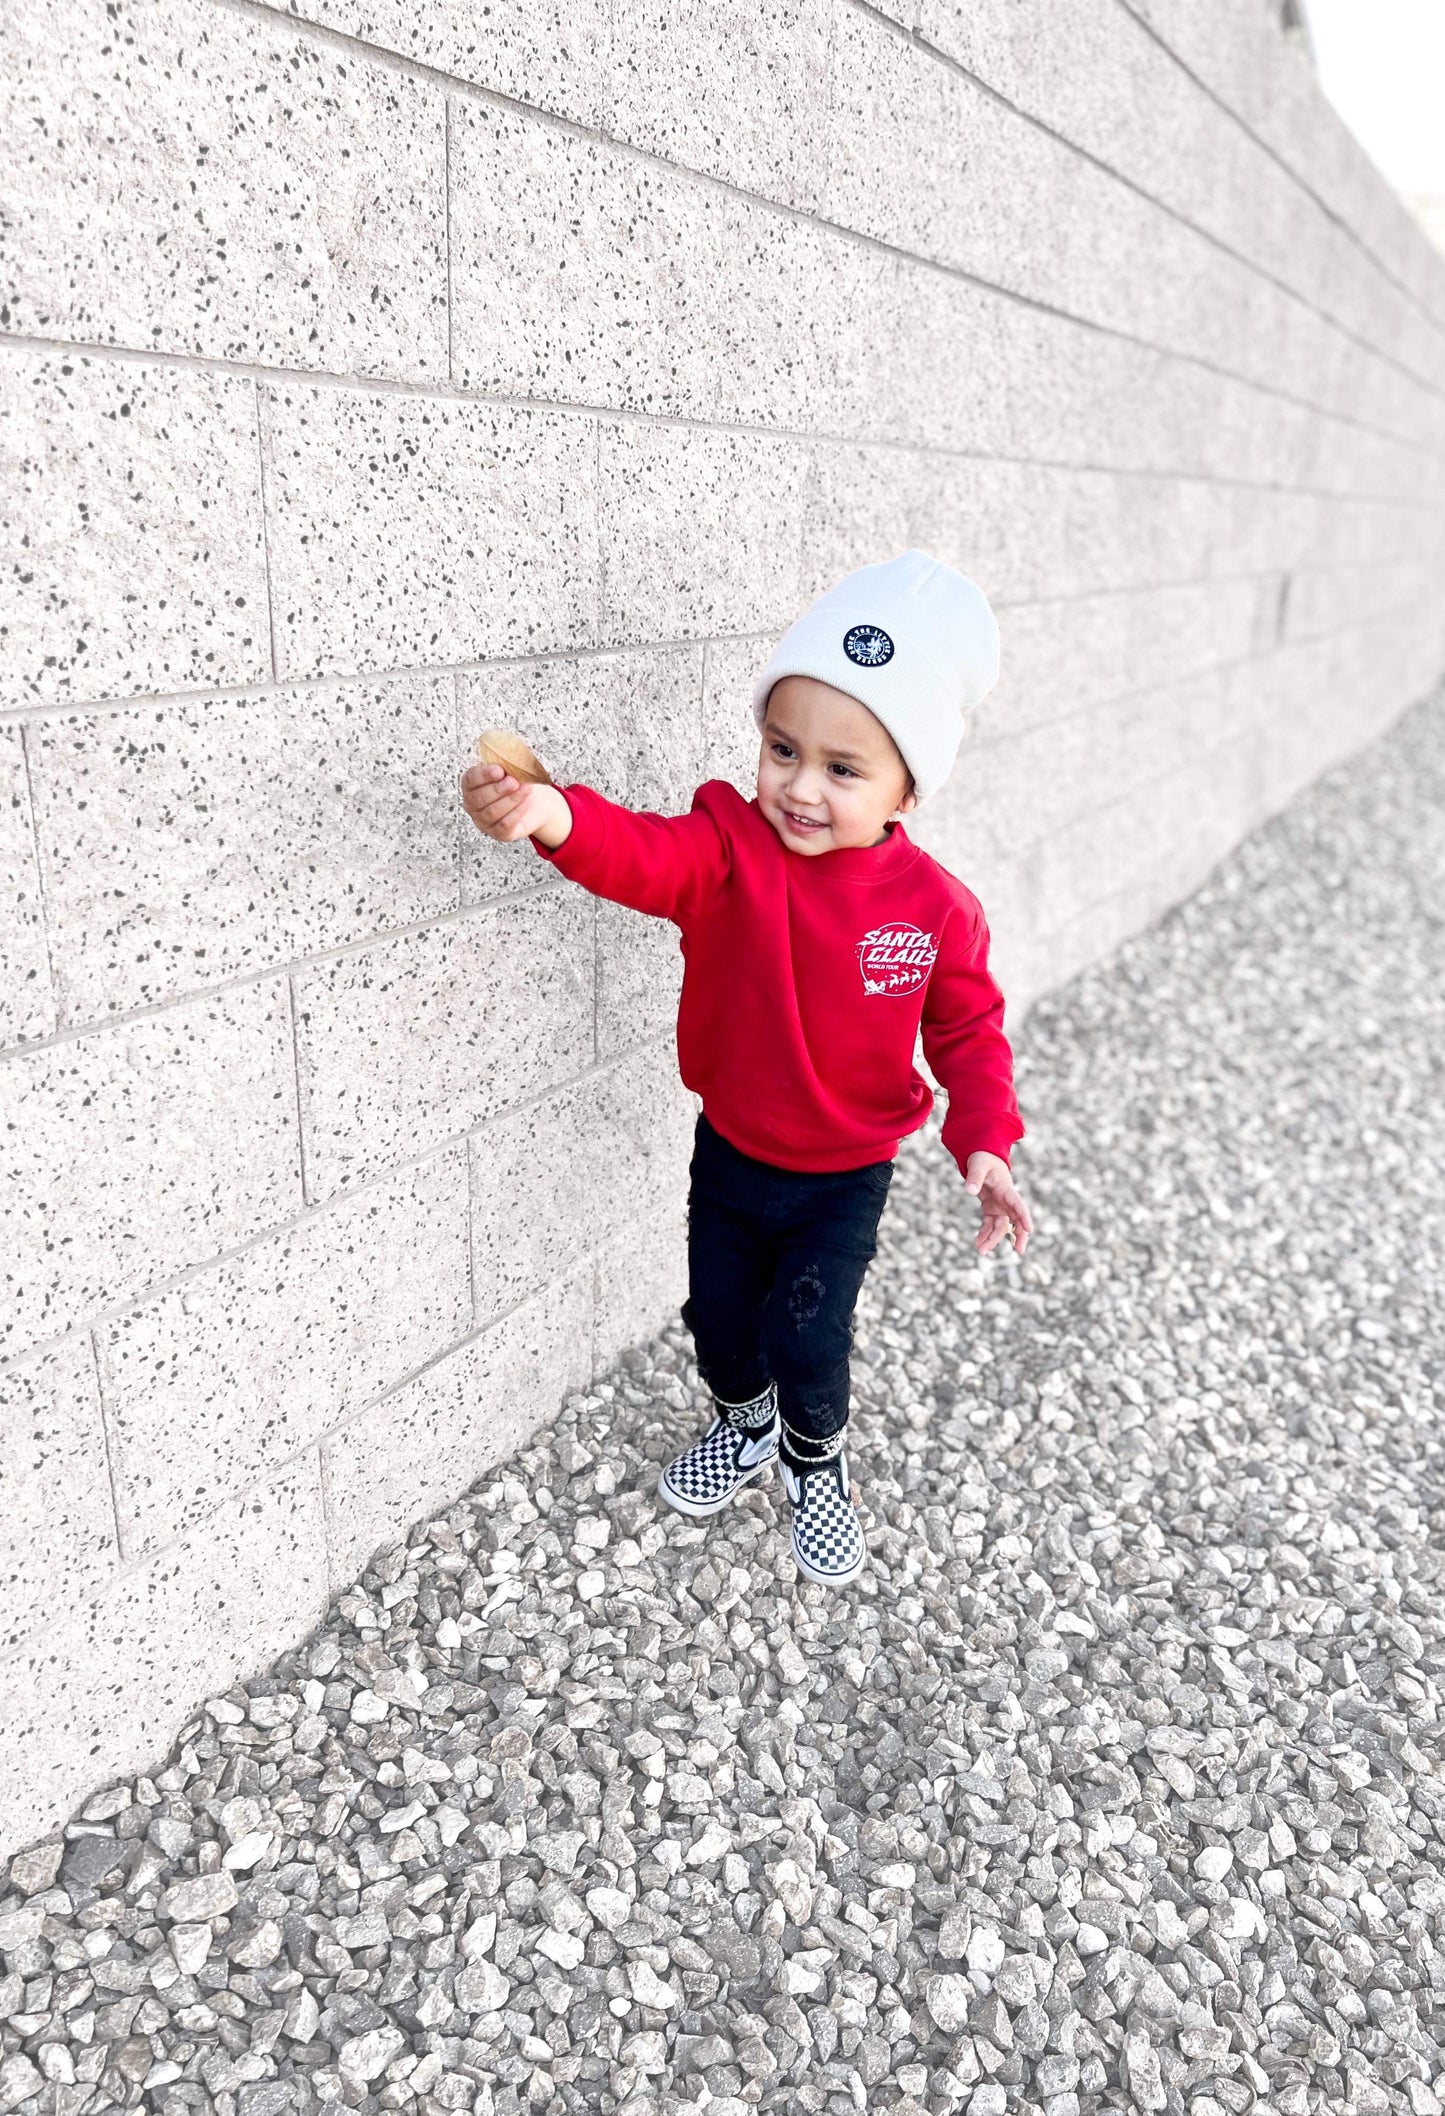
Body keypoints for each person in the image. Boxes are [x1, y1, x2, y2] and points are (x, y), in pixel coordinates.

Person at [460, 549, 1034, 1588]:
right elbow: (642, 853)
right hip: (729, 1150)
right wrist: (552, 815)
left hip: (843, 1173)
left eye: (843, 769)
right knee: (720, 1320)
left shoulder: (935, 909)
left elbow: (967, 1034)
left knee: (806, 1331)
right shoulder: (728, 845)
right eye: (782, 748)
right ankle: (747, 1421)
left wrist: (984, 1143)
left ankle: (816, 1457)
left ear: (910, 786)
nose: (799, 787)